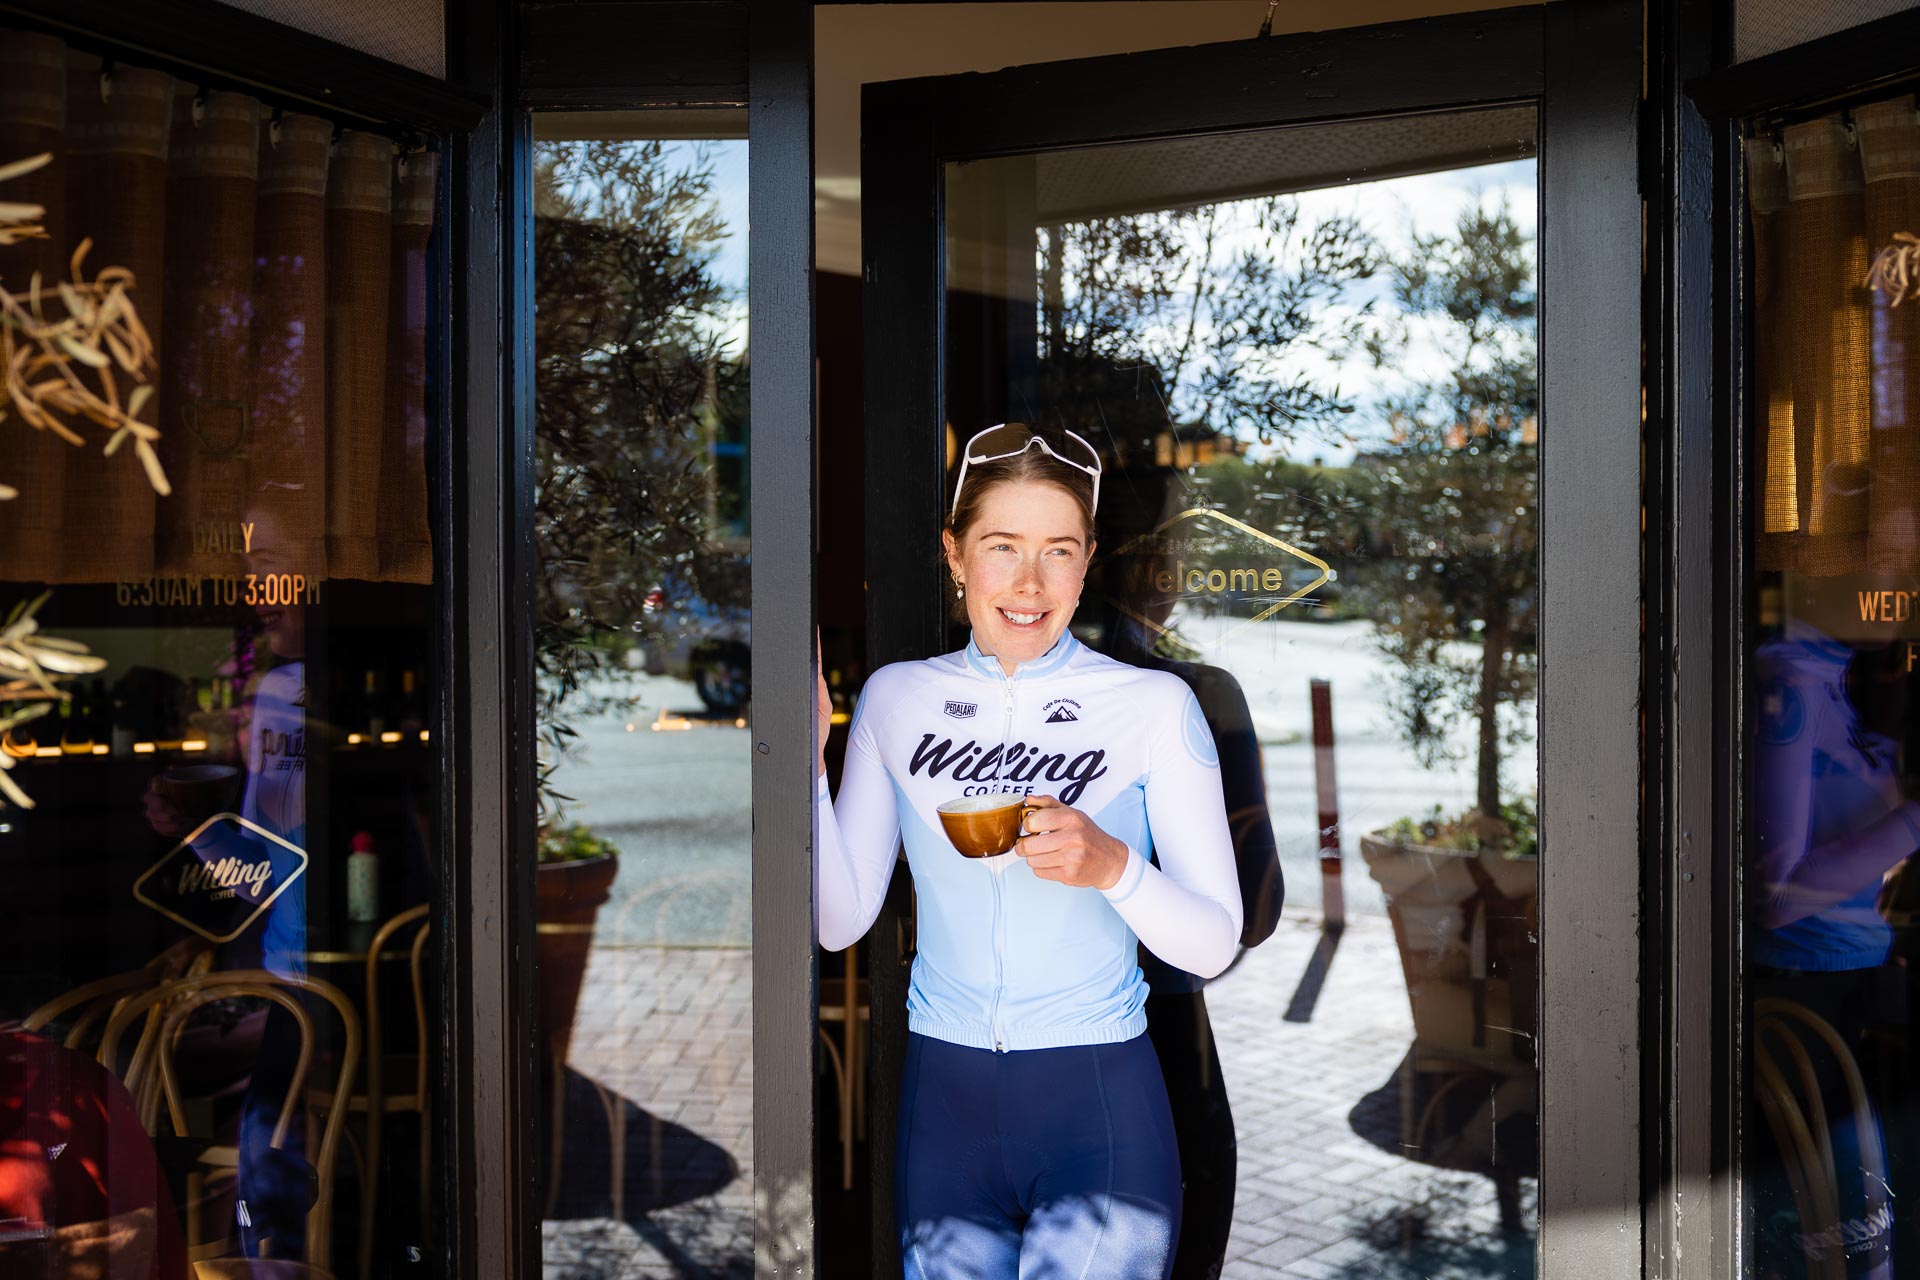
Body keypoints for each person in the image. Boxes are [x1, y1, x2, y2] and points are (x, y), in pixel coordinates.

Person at [813, 422, 1243, 1280]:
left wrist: (1113, 866)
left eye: (1058, 551)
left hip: (1098, 1105)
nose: (1028, 582)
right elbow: (839, 920)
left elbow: (1213, 941)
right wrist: (796, 755)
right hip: (945, 1104)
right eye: (1001, 546)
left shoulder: (1153, 706)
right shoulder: (899, 700)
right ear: (954, 554)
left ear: (1088, 562)